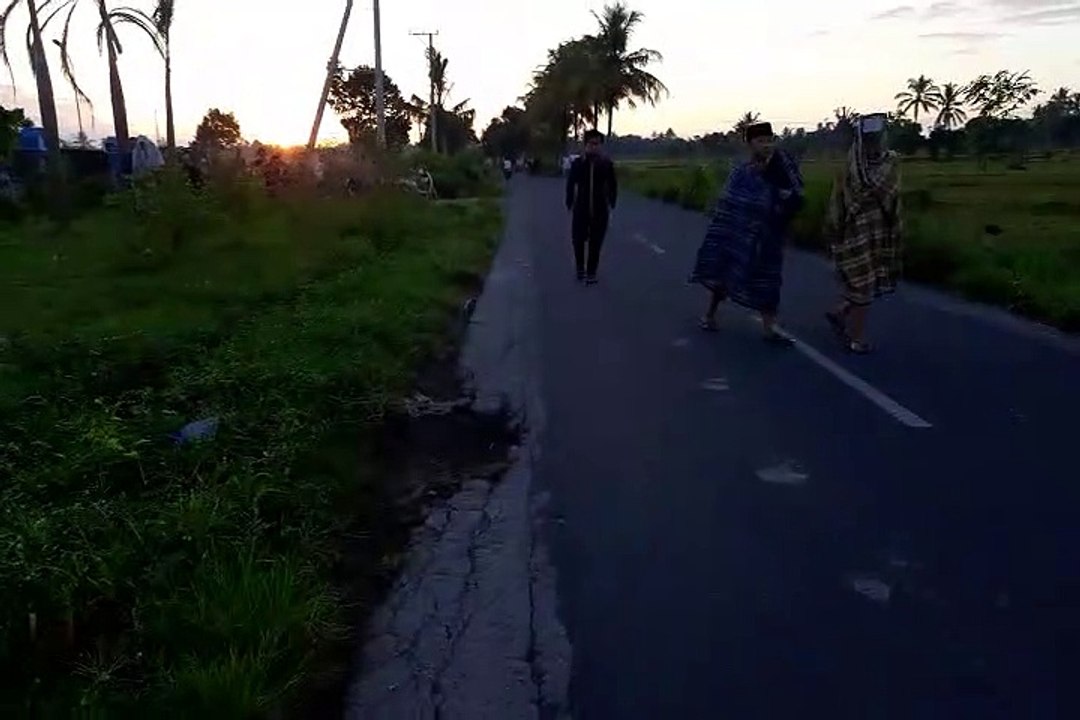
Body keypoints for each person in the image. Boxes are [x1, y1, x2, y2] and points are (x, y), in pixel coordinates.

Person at [688, 121, 804, 345]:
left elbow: (797, 193)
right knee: (724, 271)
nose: (766, 145)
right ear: (750, 144)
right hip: (738, 234)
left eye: (769, 140)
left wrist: (785, 201)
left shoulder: (783, 165)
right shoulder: (742, 171)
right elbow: (729, 202)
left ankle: (769, 328)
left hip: (769, 234)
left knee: (769, 280)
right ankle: (710, 315)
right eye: (760, 141)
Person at [823, 113, 902, 354]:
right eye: (870, 138)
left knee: (865, 282)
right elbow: (839, 197)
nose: (874, 142)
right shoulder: (852, 164)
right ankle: (856, 339)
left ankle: (840, 313)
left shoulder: (889, 162)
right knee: (863, 285)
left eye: (877, 137)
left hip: (878, 230)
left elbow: (892, 195)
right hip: (855, 230)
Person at [565, 130, 618, 284]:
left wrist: (612, 201)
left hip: (600, 207)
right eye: (591, 144)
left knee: (596, 242)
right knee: (578, 239)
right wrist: (569, 201)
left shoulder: (606, 164)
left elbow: (612, 184)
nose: (594, 147)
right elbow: (571, 183)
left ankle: (591, 272)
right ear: (585, 145)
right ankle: (580, 268)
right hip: (581, 206)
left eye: (597, 144)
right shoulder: (578, 163)